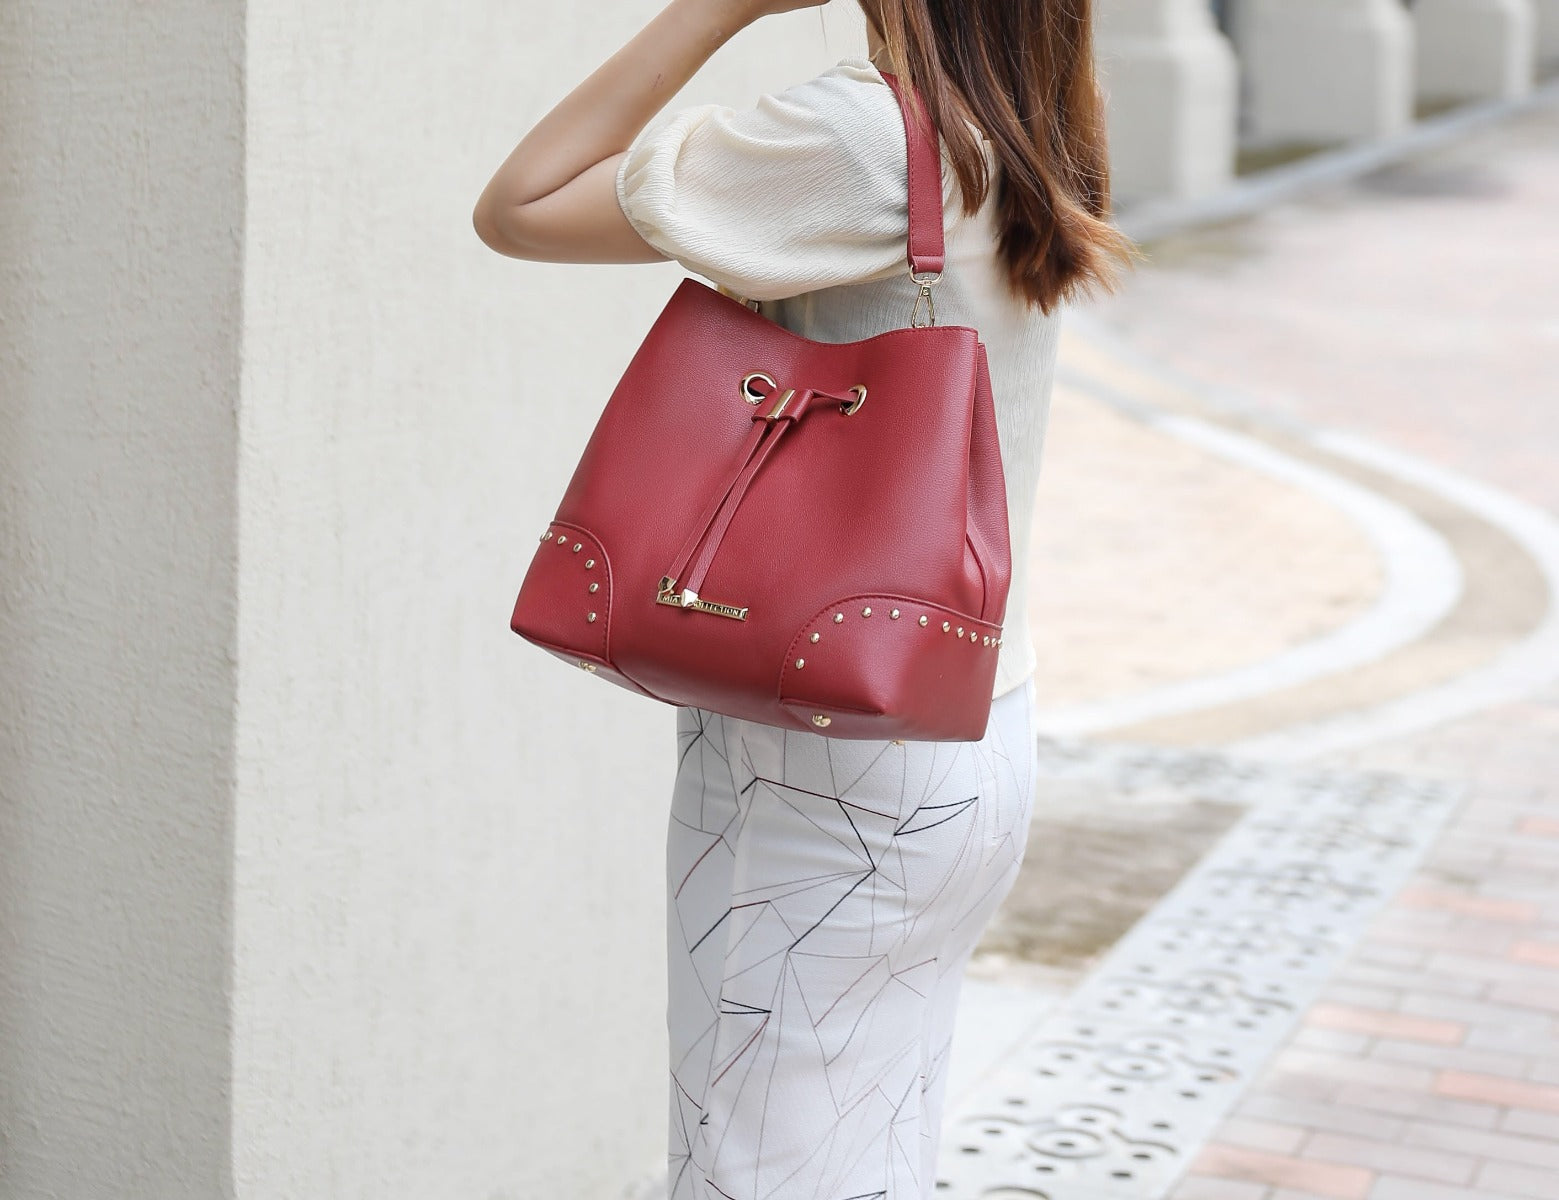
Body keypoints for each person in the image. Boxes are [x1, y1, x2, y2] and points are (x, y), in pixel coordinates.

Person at [473, 2, 1132, 1195]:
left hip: (823, 759)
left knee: (750, 1164)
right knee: (862, 1155)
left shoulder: (859, 139)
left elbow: (521, 203)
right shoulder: (1019, 121)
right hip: (966, 731)